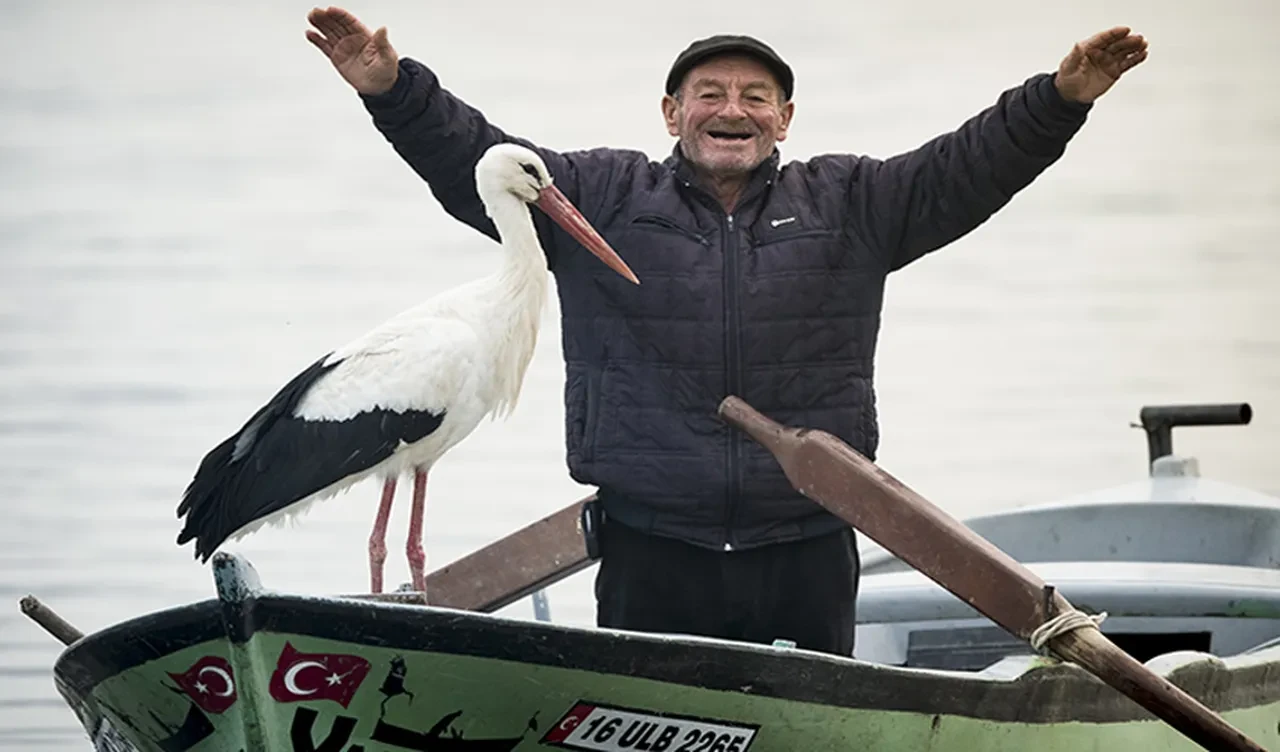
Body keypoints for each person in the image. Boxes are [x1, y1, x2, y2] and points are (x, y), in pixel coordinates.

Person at [304, 6, 1148, 656]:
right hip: (652, 547)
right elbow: (477, 161)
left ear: (784, 120)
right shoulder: (601, 197)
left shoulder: (852, 204)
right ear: (671, 113)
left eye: (755, 97)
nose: (730, 109)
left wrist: (1060, 99)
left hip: (808, 541)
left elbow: (969, 167)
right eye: (709, 94)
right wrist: (392, 89)